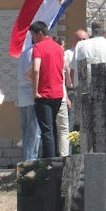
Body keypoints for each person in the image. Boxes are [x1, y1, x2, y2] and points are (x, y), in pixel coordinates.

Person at [30, 21, 66, 158]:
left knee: (46, 130)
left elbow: (36, 68)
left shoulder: (38, 47)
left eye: (33, 36)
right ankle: (55, 157)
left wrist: (35, 91)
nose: (32, 39)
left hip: (44, 94)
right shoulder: (58, 48)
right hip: (58, 93)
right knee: (53, 127)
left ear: (39, 33)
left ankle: (50, 162)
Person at [17, 26, 42, 163]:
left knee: (27, 132)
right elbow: (32, 73)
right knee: (34, 133)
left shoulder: (24, 52)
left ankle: (27, 159)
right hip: (32, 96)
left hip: (22, 98)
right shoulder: (35, 52)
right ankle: (30, 161)